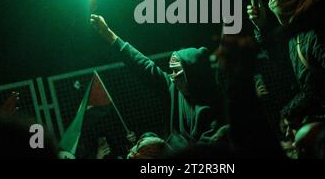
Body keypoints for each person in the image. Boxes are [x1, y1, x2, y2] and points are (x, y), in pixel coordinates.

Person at [90, 14, 224, 152]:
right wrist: (108, 34)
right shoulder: (174, 88)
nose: (171, 76)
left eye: (176, 71)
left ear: (192, 74)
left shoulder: (210, 110)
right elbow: (144, 66)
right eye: (170, 70)